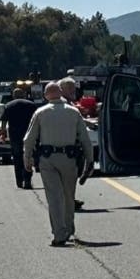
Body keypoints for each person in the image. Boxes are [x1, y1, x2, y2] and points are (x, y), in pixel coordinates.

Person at [23, 80, 93, 247]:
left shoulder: (40, 112)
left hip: (48, 159)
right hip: (69, 159)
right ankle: (68, 228)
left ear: (46, 95)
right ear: (60, 94)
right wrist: (89, 161)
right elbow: (85, 139)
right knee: (69, 196)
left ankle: (59, 234)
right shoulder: (74, 112)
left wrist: (27, 158)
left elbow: (29, 139)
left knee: (54, 197)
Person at [0, 84, 39, 188]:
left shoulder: (9, 105)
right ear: (24, 95)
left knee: (17, 158)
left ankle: (19, 181)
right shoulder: (31, 105)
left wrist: (3, 134)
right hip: (29, 135)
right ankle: (27, 180)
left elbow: (4, 122)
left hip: (15, 136)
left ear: (13, 95)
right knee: (28, 156)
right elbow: (37, 120)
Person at [58, 76, 87, 210]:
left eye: (73, 87)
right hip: (69, 146)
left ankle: (69, 199)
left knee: (70, 176)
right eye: (69, 88)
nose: (73, 90)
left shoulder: (68, 102)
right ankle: (68, 201)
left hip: (68, 145)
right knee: (70, 176)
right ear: (62, 89)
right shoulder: (64, 103)